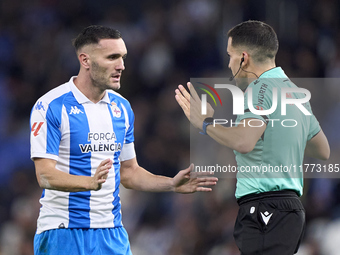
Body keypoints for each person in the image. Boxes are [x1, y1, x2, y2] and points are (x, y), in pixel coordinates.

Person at [30, 25, 218, 255]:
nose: (121, 65)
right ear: (85, 60)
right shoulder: (51, 106)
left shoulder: (122, 108)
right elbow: (45, 175)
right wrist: (88, 183)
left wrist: (170, 184)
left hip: (112, 234)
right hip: (64, 232)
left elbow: (129, 173)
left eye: (123, 57)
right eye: (112, 57)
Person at [175, 20, 330, 255]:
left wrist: (205, 123)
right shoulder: (297, 93)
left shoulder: (259, 89)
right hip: (291, 211)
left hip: (265, 208)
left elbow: (244, 142)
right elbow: (323, 150)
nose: (228, 64)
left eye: (230, 56)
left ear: (244, 58)